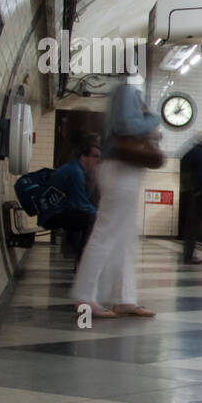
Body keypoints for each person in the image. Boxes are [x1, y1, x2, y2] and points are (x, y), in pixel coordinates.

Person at [71, 81, 161, 319]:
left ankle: (124, 298)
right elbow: (124, 125)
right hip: (120, 169)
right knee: (106, 233)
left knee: (125, 238)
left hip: (127, 170)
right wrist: (153, 120)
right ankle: (85, 296)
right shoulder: (126, 90)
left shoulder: (131, 92)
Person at [39, 134, 101, 266]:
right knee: (92, 217)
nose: (98, 161)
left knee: (85, 217)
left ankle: (78, 254)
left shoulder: (74, 169)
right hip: (52, 214)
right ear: (83, 157)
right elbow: (81, 203)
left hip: (53, 211)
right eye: (95, 156)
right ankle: (84, 260)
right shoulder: (76, 173)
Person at [180, 132, 202, 264]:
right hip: (197, 196)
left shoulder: (191, 152)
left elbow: (182, 168)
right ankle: (189, 256)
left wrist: (187, 190)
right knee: (194, 227)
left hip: (188, 194)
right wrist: (201, 192)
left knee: (190, 227)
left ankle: (188, 255)